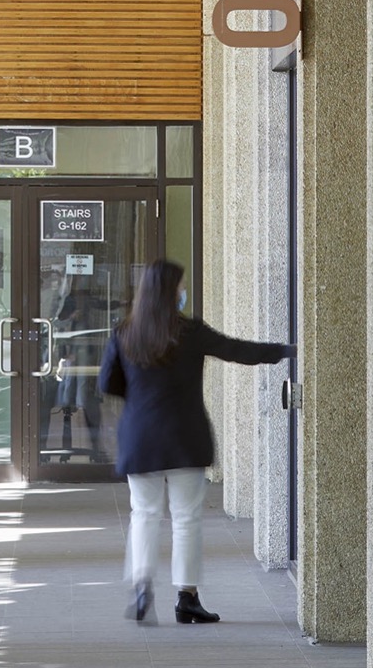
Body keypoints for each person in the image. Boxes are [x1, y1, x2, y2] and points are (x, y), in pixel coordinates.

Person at [98, 260, 295, 625]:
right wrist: (286, 351)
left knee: (144, 514)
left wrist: (140, 399)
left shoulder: (124, 334)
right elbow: (238, 350)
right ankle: (187, 598)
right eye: (179, 286)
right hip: (184, 437)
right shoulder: (190, 332)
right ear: (171, 292)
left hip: (141, 438)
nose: (182, 291)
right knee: (186, 518)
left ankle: (142, 587)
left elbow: (107, 383)